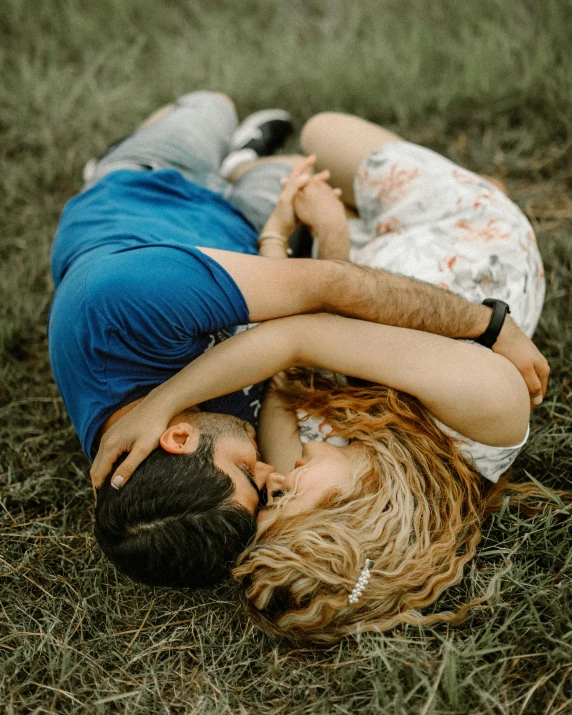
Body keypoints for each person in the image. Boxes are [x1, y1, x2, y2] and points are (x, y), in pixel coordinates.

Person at [54, 92, 548, 589]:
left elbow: (319, 304)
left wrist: (490, 325)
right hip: (274, 246)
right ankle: (244, 164)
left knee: (215, 106)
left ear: (178, 437)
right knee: (301, 157)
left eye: (256, 481)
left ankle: (139, 157)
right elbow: (300, 335)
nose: (274, 478)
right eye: (276, 500)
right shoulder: (245, 460)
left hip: (151, 191)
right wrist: (298, 236)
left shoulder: (115, 309)